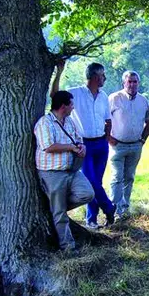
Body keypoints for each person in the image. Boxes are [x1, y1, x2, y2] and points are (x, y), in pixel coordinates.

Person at [51, 61, 115, 228]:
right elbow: (55, 95)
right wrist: (59, 72)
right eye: (102, 75)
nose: (105, 79)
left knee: (96, 182)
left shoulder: (103, 96)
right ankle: (109, 208)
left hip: (101, 144)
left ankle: (91, 219)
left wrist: (107, 137)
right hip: (83, 145)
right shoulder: (76, 93)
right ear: (94, 77)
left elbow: (108, 120)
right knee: (91, 181)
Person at [34, 91, 95, 250]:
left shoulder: (69, 122)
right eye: (71, 105)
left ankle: (54, 209)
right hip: (52, 173)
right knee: (60, 214)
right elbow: (48, 147)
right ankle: (67, 246)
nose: (73, 108)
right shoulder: (44, 123)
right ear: (63, 106)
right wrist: (72, 147)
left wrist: (81, 147)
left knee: (87, 194)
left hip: (71, 170)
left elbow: (78, 139)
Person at [108, 71, 149, 217]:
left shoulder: (143, 100)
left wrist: (143, 139)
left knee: (129, 177)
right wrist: (109, 137)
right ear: (124, 83)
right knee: (116, 177)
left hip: (135, 145)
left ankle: (124, 209)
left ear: (138, 83)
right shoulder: (114, 98)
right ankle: (114, 210)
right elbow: (104, 119)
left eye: (135, 82)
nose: (132, 85)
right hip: (118, 145)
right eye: (129, 82)